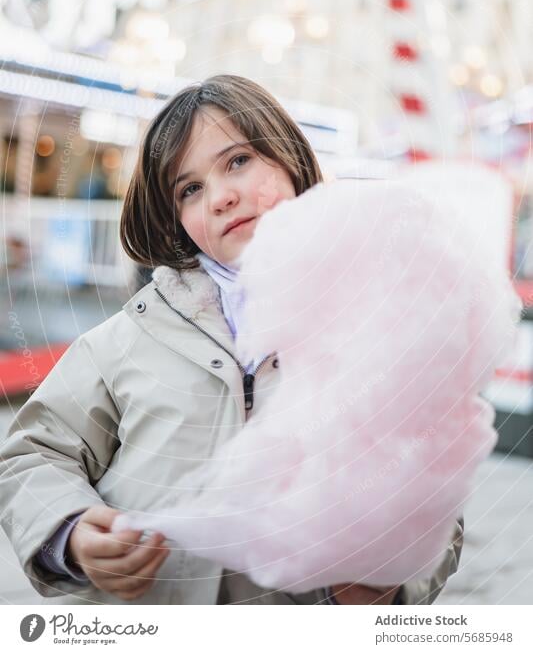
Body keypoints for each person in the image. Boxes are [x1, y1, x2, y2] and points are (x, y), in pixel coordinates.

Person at [0, 74, 463, 605]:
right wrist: (73, 531)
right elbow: (32, 453)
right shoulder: (130, 337)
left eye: (238, 161)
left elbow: (436, 495)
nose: (220, 196)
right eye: (189, 189)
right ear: (176, 220)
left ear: (290, 161)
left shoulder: (374, 333)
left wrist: (382, 577)